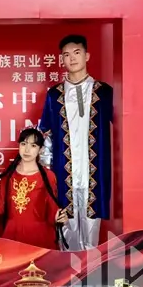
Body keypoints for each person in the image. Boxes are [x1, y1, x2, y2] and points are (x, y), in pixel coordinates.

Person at [39, 34, 113, 251]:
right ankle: (68, 271)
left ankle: (91, 270)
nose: (71, 58)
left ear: (87, 56)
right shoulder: (54, 95)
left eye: (77, 53)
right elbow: (46, 137)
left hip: (95, 173)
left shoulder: (104, 92)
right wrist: (48, 176)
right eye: (66, 55)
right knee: (66, 227)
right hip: (64, 174)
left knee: (92, 229)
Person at [0, 127, 68, 250]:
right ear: (19, 146)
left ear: (40, 149)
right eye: (23, 144)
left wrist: (59, 217)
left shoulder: (48, 176)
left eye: (33, 145)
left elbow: (52, 211)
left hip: (39, 235)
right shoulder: (8, 175)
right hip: (13, 234)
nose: (27, 150)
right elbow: (1, 209)